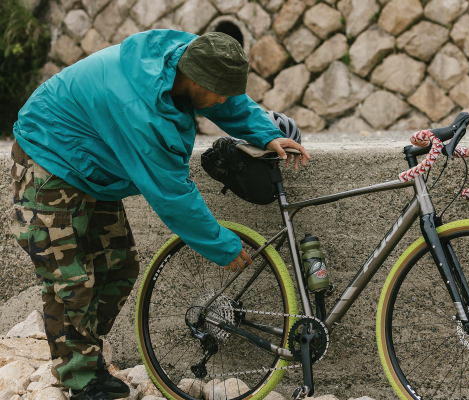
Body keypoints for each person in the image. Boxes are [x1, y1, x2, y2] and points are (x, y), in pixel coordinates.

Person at [9, 30, 309, 400]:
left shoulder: (195, 57)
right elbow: (171, 193)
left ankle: (83, 355)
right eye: (217, 92)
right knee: (71, 279)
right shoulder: (140, 111)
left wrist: (265, 134)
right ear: (194, 78)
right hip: (47, 156)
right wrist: (222, 244)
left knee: (119, 267)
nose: (221, 100)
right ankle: (80, 378)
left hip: (91, 164)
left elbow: (228, 101)